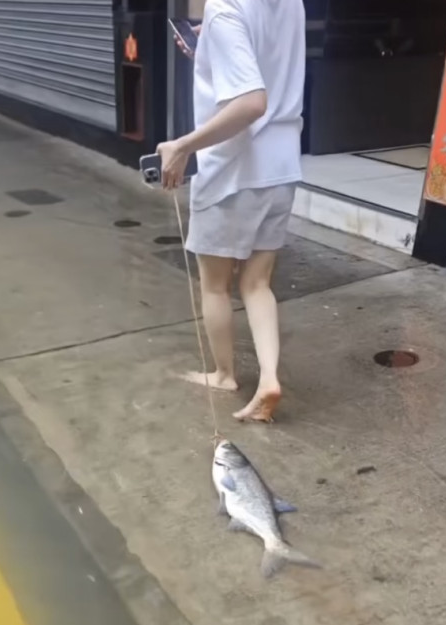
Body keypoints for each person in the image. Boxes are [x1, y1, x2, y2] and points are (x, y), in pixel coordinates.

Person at [158, 0, 305, 422]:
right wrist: (211, 45)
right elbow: (267, 57)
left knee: (216, 286)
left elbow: (251, 102)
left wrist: (183, 146)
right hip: (281, 166)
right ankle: (269, 377)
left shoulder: (226, 10)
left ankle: (225, 375)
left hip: (234, 171)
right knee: (257, 283)